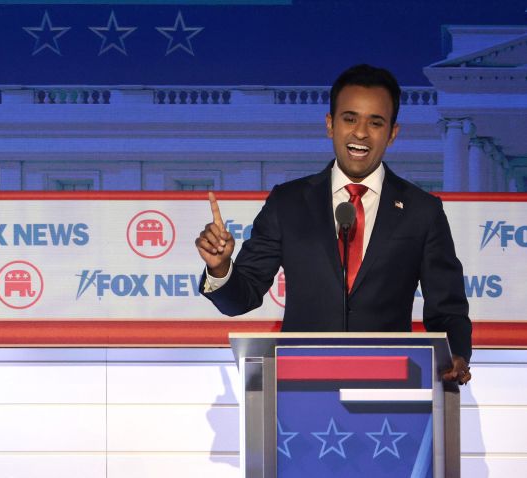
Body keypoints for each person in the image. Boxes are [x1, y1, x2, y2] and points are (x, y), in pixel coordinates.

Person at [195, 64, 472, 384]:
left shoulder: (422, 210)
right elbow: (242, 298)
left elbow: (447, 307)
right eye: (350, 118)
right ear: (330, 124)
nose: (360, 133)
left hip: (391, 389)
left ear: (393, 134)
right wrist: (220, 268)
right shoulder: (288, 202)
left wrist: (457, 353)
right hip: (301, 387)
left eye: (376, 122)